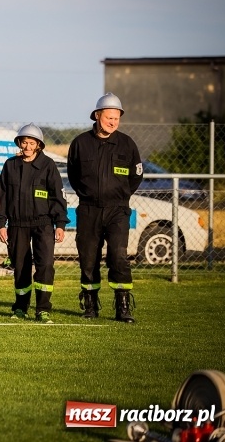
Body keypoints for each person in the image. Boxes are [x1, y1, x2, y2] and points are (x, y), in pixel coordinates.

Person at [67, 92, 143, 323]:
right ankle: (90, 304)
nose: (113, 122)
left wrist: (119, 196)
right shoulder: (80, 143)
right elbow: (73, 175)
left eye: (117, 118)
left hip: (118, 210)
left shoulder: (127, 144)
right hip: (89, 210)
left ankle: (122, 306)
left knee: (118, 257)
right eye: (109, 117)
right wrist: (88, 195)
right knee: (88, 258)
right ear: (97, 116)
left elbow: (136, 176)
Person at [0, 123, 69, 324]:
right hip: (17, 225)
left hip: (43, 224)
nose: (27, 146)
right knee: (20, 267)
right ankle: (20, 308)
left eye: (31, 143)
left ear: (39, 145)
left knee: (45, 265)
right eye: (24, 142)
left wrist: (60, 224)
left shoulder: (48, 165)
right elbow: (1, 197)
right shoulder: (11, 165)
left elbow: (58, 197)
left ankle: (43, 309)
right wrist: (1, 224)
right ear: (19, 143)